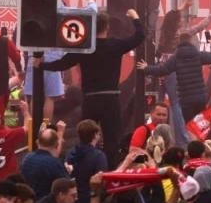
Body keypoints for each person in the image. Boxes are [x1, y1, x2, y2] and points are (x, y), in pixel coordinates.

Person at [37, 9, 144, 167]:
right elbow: (139, 36)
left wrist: (41, 65)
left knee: (86, 138)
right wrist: (135, 18)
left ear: (91, 27)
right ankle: (110, 170)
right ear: (107, 27)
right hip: (110, 98)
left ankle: (87, 168)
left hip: (90, 98)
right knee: (112, 139)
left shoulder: (85, 48)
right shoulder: (115, 45)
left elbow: (62, 64)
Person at [138, 33, 211, 123]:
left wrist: (146, 68)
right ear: (191, 42)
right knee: (199, 126)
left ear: (179, 42)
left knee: (189, 126)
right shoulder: (198, 55)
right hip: (200, 99)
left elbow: (162, 70)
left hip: (186, 100)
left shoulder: (176, 58)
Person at [66, 119, 109, 203]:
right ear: (95, 135)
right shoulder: (99, 156)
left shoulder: (70, 153)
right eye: (98, 134)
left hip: (71, 202)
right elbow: (102, 181)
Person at [20, 123, 69, 199]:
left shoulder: (26, 158)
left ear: (37, 142)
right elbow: (67, 186)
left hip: (28, 202)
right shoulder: (54, 164)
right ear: (56, 144)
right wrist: (68, 172)